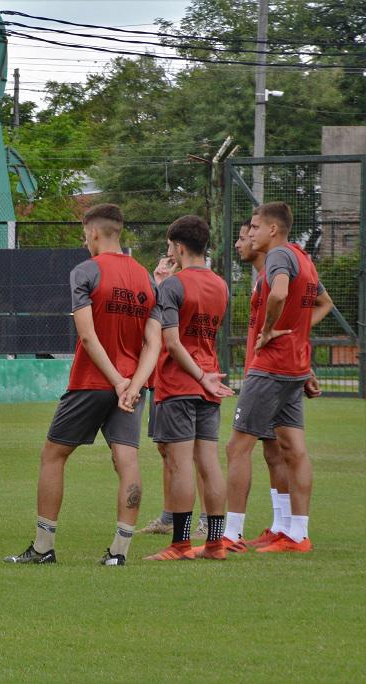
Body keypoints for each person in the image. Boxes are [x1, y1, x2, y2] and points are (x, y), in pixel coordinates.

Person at [4, 203, 160, 567]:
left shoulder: (86, 271)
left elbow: (88, 338)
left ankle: (43, 548)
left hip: (93, 380)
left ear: (93, 232)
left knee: (53, 455)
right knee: (128, 460)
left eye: (83, 235)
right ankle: (119, 553)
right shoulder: (146, 278)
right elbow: (154, 343)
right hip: (130, 389)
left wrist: (117, 379)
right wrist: (133, 385)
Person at [223, 202, 332, 553]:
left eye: (254, 227)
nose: (250, 233)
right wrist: (297, 336)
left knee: (237, 448)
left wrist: (269, 330)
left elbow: (281, 293)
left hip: (270, 366)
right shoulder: (304, 258)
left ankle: (229, 534)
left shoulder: (279, 257)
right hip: (293, 368)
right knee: (293, 451)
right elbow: (319, 303)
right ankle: (296, 534)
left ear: (272, 229)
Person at [142, 216, 233, 561]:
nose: (169, 252)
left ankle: (180, 545)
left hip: (181, 383)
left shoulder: (173, 286)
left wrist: (197, 375)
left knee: (180, 465)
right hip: (210, 383)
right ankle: (215, 543)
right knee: (209, 463)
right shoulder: (222, 285)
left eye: (170, 247)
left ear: (180, 247)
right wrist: (206, 376)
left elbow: (173, 342)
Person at [140, 256, 209, 540]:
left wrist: (164, 287)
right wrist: (158, 286)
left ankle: (206, 521)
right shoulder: (165, 288)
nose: (163, 263)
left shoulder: (189, 287)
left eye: (170, 257)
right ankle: (169, 518)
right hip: (162, 379)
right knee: (166, 449)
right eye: (161, 260)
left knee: (195, 454)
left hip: (187, 379)